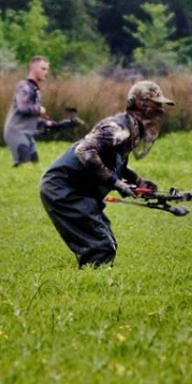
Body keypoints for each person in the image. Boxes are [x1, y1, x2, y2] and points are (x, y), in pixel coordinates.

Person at [38, 79, 176, 268]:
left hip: (78, 189)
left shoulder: (129, 129)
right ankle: (92, 287)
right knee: (101, 246)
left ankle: (91, 280)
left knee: (105, 240)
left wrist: (137, 180)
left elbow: (113, 162)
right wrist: (116, 183)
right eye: (155, 104)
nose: (159, 110)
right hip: (63, 187)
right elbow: (84, 151)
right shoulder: (117, 128)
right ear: (139, 104)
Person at [4, 56, 52, 167]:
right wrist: (39, 109)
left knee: (34, 165)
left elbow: (31, 116)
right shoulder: (24, 86)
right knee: (23, 166)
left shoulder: (34, 88)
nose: (46, 72)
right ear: (33, 68)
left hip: (27, 134)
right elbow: (22, 108)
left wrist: (48, 123)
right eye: (43, 69)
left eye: (47, 69)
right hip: (16, 132)